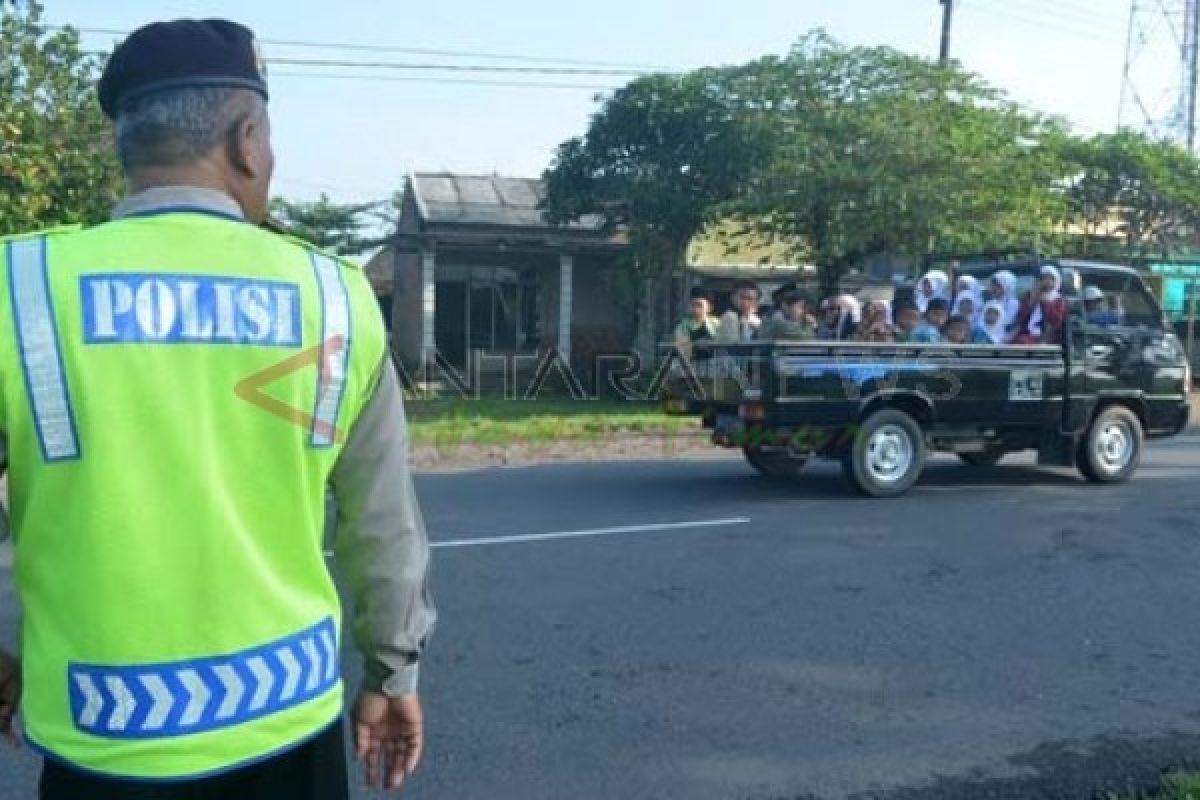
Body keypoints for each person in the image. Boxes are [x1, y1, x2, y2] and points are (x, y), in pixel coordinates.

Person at [0, 20, 434, 800]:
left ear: (125, 148)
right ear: (246, 140)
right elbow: (381, 523)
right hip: (287, 729)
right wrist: (391, 669)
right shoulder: (337, 296)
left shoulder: (21, 284)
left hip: (101, 738)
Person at [1013, 264, 1067, 344]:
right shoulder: (1029, 295)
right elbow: (1020, 317)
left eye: (1051, 279)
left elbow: (1056, 321)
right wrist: (1033, 300)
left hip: (1045, 336)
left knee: (1022, 341)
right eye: (1044, 278)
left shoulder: (1058, 300)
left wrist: (1046, 304)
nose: (1047, 282)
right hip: (1026, 333)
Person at [673, 287, 719, 357]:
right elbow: (684, 353)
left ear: (709, 307)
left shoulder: (717, 324)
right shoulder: (682, 326)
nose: (695, 310)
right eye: (693, 305)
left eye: (699, 305)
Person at [987, 270, 1021, 338]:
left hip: (1006, 338)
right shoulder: (989, 303)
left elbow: (1008, 322)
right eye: (993, 285)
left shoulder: (1013, 303)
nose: (994, 288)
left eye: (998, 286)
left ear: (1007, 287)